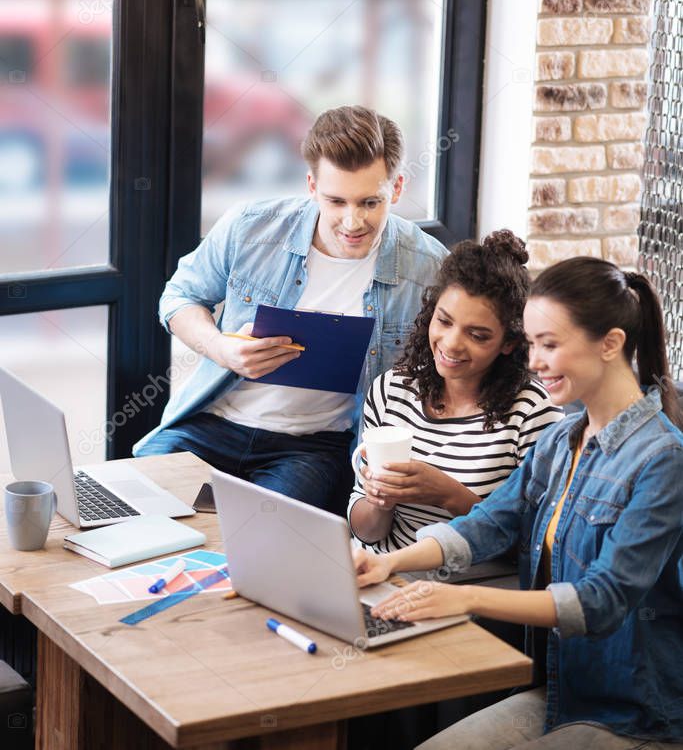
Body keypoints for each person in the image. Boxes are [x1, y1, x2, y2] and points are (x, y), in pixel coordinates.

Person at [354, 256, 683, 750]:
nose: (532, 362)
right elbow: (487, 523)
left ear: (610, 344)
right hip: (560, 689)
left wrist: (463, 596)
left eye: (549, 345)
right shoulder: (562, 442)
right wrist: (388, 564)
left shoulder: (663, 459)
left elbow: (603, 600)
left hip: (635, 712)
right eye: (531, 344)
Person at [134, 105, 448, 512]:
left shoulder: (428, 269)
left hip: (311, 447)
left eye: (371, 202)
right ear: (311, 186)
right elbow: (178, 298)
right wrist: (221, 348)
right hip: (212, 423)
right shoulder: (251, 227)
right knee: (138, 505)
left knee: (268, 541)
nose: (352, 222)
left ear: (398, 188)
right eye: (336, 201)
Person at [348, 231, 562, 552]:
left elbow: (537, 545)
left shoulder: (532, 414)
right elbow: (368, 533)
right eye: (444, 321)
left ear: (509, 343)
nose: (451, 343)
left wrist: (449, 495)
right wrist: (381, 501)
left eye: (477, 335)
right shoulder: (391, 390)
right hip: (381, 575)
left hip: (467, 588)